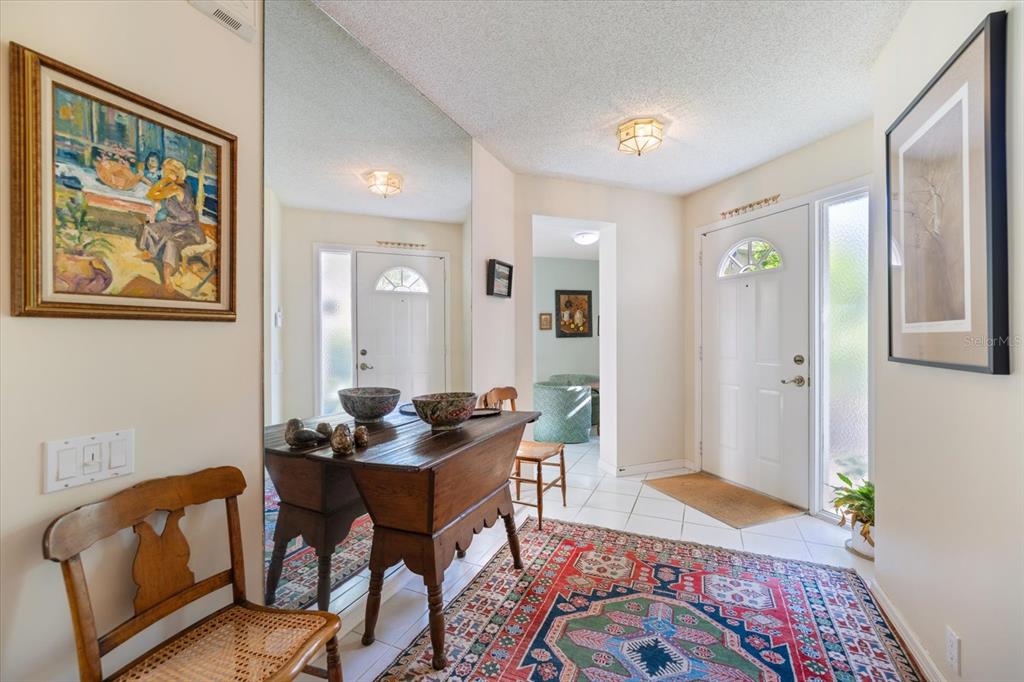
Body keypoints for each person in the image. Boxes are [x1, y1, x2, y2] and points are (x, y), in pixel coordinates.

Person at [137, 158, 204, 295]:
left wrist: (164, 181)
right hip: (174, 223)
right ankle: (150, 252)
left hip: (189, 228)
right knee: (150, 228)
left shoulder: (177, 188)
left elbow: (151, 193)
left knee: (171, 242)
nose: (162, 172)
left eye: (165, 170)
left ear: (173, 173)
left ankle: (167, 277)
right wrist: (166, 180)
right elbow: (154, 195)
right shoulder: (173, 185)